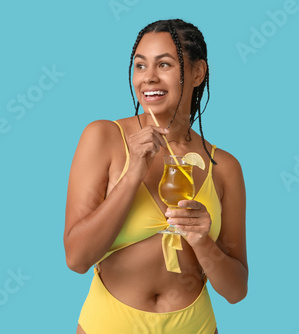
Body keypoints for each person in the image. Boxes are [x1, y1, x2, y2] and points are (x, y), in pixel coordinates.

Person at [64, 19, 248, 334]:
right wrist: (134, 172)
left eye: (164, 64)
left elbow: (236, 290)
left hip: (196, 326)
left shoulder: (224, 167)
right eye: (140, 65)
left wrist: (202, 242)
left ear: (197, 72)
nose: (148, 77)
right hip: (108, 325)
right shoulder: (104, 137)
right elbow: (77, 258)